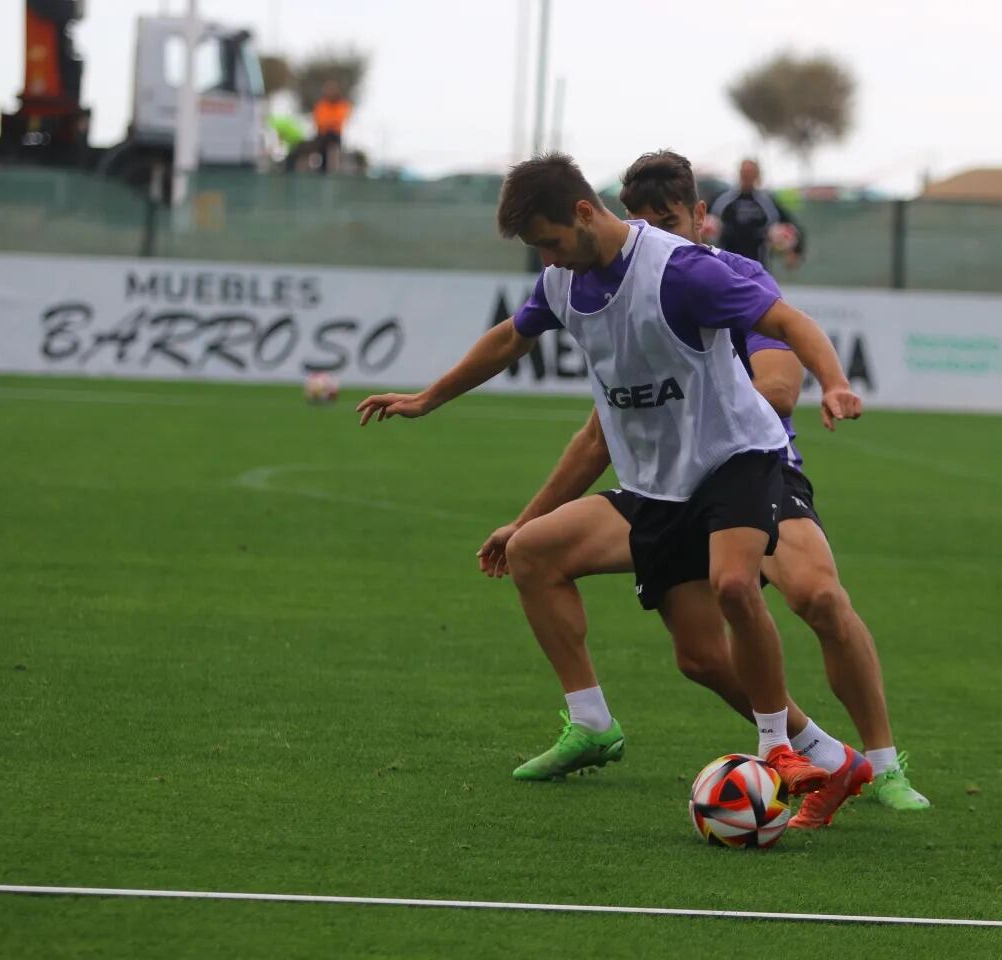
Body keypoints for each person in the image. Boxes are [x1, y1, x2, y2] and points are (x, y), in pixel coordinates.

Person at [357, 153, 863, 798]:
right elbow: (510, 340)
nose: (548, 257)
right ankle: (595, 724)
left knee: (735, 584)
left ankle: (778, 750)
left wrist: (836, 382)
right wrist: (428, 398)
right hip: (657, 485)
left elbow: (788, 321)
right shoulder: (563, 281)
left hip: (737, 458)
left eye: (550, 241)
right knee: (538, 556)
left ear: (583, 212)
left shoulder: (681, 271)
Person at [476, 151, 930, 827]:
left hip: (750, 469)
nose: (658, 230)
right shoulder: (607, 283)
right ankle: (810, 752)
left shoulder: (722, 277)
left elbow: (777, 389)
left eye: (669, 218)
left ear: (699, 217)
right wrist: (524, 517)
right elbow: (600, 436)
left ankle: (883, 762)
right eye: (643, 219)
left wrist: (683, 396)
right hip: (663, 482)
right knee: (679, 644)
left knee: (819, 597)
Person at [709, 159, 805, 273]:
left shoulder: (767, 202)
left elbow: (792, 227)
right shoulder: (722, 200)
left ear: (757, 176)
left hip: (759, 268)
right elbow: (699, 221)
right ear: (739, 174)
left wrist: (795, 250)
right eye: (744, 173)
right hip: (727, 268)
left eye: (751, 173)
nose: (747, 177)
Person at [312, 80, 352, 175]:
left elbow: (339, 119)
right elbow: (319, 120)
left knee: (333, 153)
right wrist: (328, 123)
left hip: (334, 136)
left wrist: (329, 123)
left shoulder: (342, 105)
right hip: (322, 136)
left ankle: (332, 172)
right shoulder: (321, 105)